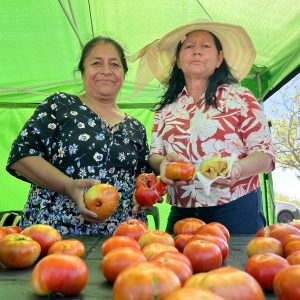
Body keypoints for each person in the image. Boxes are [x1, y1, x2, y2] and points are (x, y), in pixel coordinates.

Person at [128, 20, 275, 234]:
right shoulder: (166, 108)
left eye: (205, 46)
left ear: (219, 59)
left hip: (235, 206)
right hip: (182, 209)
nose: (197, 51)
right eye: (189, 47)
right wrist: (163, 164)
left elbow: (265, 156)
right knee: (175, 265)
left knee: (237, 266)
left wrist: (236, 169)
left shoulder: (240, 97)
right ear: (178, 61)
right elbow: (155, 155)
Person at [6, 36, 150, 235]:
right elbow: (21, 157)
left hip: (121, 238)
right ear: (82, 71)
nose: (106, 71)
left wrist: (144, 196)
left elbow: (141, 179)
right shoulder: (60, 105)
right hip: (55, 230)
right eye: (96, 63)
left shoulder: (136, 127)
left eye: (114, 64)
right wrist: (68, 186)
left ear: (124, 73)